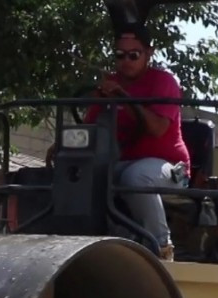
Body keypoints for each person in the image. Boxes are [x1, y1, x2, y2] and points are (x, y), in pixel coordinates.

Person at [81, 22, 190, 261]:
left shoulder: (163, 82)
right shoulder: (109, 84)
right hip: (122, 162)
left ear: (149, 53)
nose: (126, 61)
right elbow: (89, 128)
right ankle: (108, 243)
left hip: (167, 168)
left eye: (134, 55)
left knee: (135, 177)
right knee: (87, 174)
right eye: (120, 55)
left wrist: (123, 98)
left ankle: (162, 248)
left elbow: (157, 128)